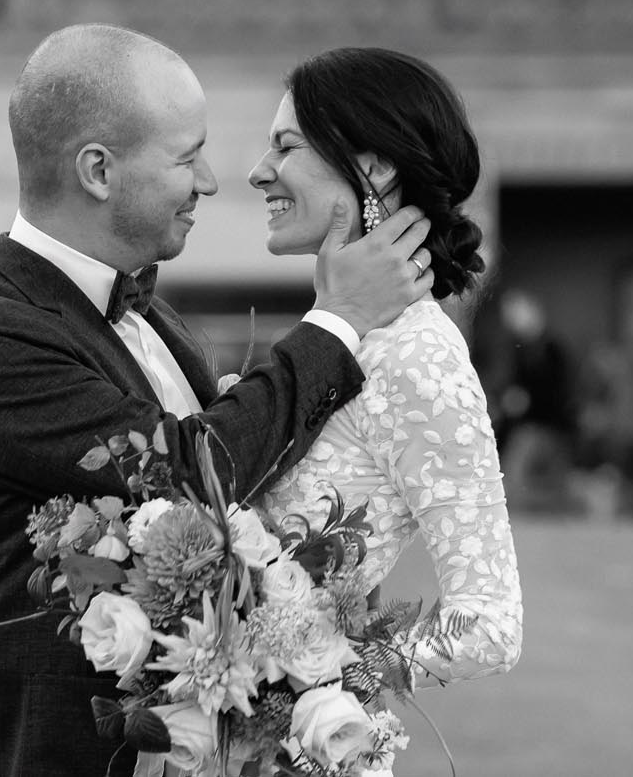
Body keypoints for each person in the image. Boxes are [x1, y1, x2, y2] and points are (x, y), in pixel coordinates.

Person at [0, 24, 433, 777]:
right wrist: (339, 319)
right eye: (187, 157)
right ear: (98, 171)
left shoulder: (154, 319)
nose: (211, 181)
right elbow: (190, 471)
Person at [248, 46, 523, 691]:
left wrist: (326, 677)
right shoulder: (337, 332)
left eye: (286, 146)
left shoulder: (417, 354)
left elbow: (490, 624)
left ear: (373, 165)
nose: (260, 172)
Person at [477, 287, 580, 513]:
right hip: (529, 426)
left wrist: (524, 399)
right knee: (519, 482)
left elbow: (560, 390)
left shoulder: (551, 349)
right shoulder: (518, 349)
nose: (511, 320)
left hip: (546, 426)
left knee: (520, 480)